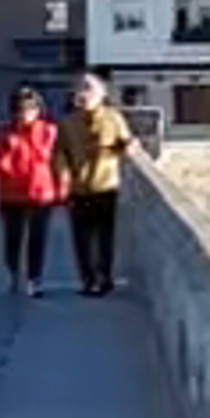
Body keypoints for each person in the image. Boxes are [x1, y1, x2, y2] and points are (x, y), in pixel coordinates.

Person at [59, 70, 131, 299]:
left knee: (104, 237)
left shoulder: (113, 118)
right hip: (78, 187)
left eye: (88, 89)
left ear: (101, 94)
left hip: (105, 185)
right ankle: (88, 280)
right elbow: (60, 152)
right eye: (80, 88)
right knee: (81, 237)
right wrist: (63, 176)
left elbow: (126, 143)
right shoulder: (68, 122)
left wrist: (111, 152)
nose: (83, 93)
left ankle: (105, 278)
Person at [0, 89, 66, 294]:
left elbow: (56, 161)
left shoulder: (49, 131)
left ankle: (34, 279)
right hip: (11, 194)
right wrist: (5, 150)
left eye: (29, 109)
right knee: (12, 239)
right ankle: (14, 274)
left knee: (37, 238)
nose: (24, 114)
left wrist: (62, 188)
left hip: (41, 193)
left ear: (38, 110)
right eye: (20, 109)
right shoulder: (5, 133)